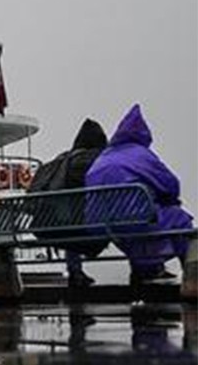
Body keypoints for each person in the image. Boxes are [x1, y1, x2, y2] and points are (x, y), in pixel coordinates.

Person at [85, 104, 195, 284]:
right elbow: (170, 184)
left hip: (98, 222)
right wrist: (171, 201)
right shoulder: (141, 154)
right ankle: (191, 276)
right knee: (181, 221)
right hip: (133, 219)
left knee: (133, 226)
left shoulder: (103, 158)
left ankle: (144, 270)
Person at [26, 118, 109, 287]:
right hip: (76, 226)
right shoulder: (91, 160)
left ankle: (75, 270)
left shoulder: (58, 161)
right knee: (124, 222)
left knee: (71, 221)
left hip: (47, 225)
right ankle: (146, 267)